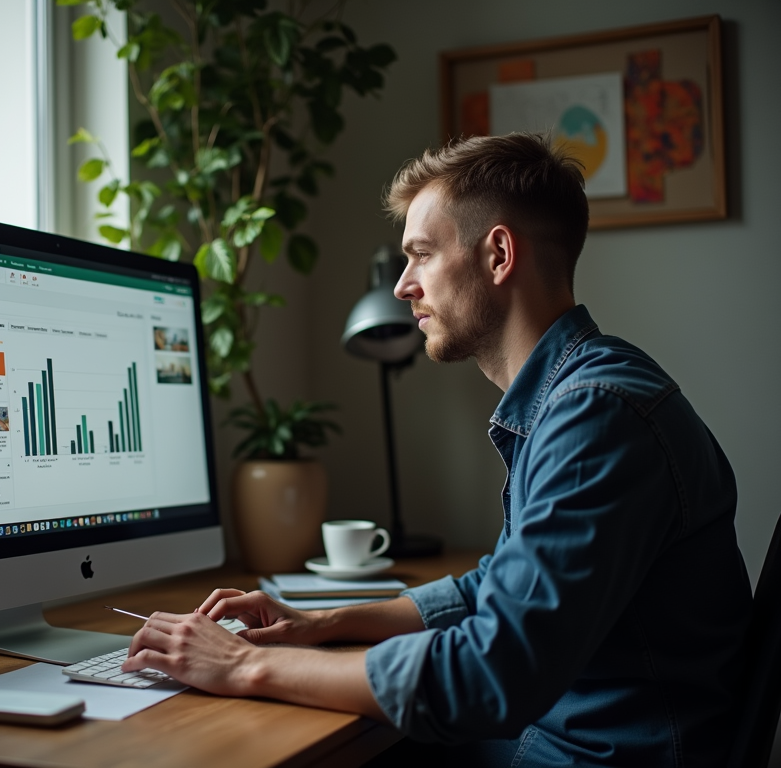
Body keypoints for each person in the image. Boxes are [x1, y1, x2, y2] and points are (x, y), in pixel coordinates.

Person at [121, 133, 752, 766]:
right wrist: (320, 626)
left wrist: (244, 665)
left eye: (420, 254)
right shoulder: (580, 393)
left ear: (499, 254)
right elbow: (494, 593)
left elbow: (489, 674)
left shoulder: (595, 416)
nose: (402, 286)